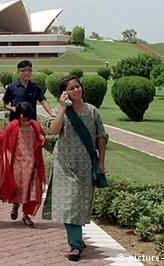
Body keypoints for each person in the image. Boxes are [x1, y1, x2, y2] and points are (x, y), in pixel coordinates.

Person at [44, 75, 108, 262]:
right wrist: (63, 107)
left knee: (79, 205)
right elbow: (54, 131)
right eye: (71, 89)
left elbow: (100, 137)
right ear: (64, 93)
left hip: (85, 165)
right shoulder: (61, 110)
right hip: (64, 164)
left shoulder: (92, 111)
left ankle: (76, 238)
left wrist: (102, 163)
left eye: (77, 87)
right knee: (69, 204)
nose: (76, 90)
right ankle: (76, 246)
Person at [0, 102, 46, 227]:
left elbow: (42, 141)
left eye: (26, 119)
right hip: (17, 164)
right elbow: (2, 139)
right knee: (19, 189)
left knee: (33, 191)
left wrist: (42, 139)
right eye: (22, 118)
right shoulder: (12, 126)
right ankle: (16, 205)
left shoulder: (36, 126)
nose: (24, 121)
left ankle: (26, 216)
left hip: (34, 164)